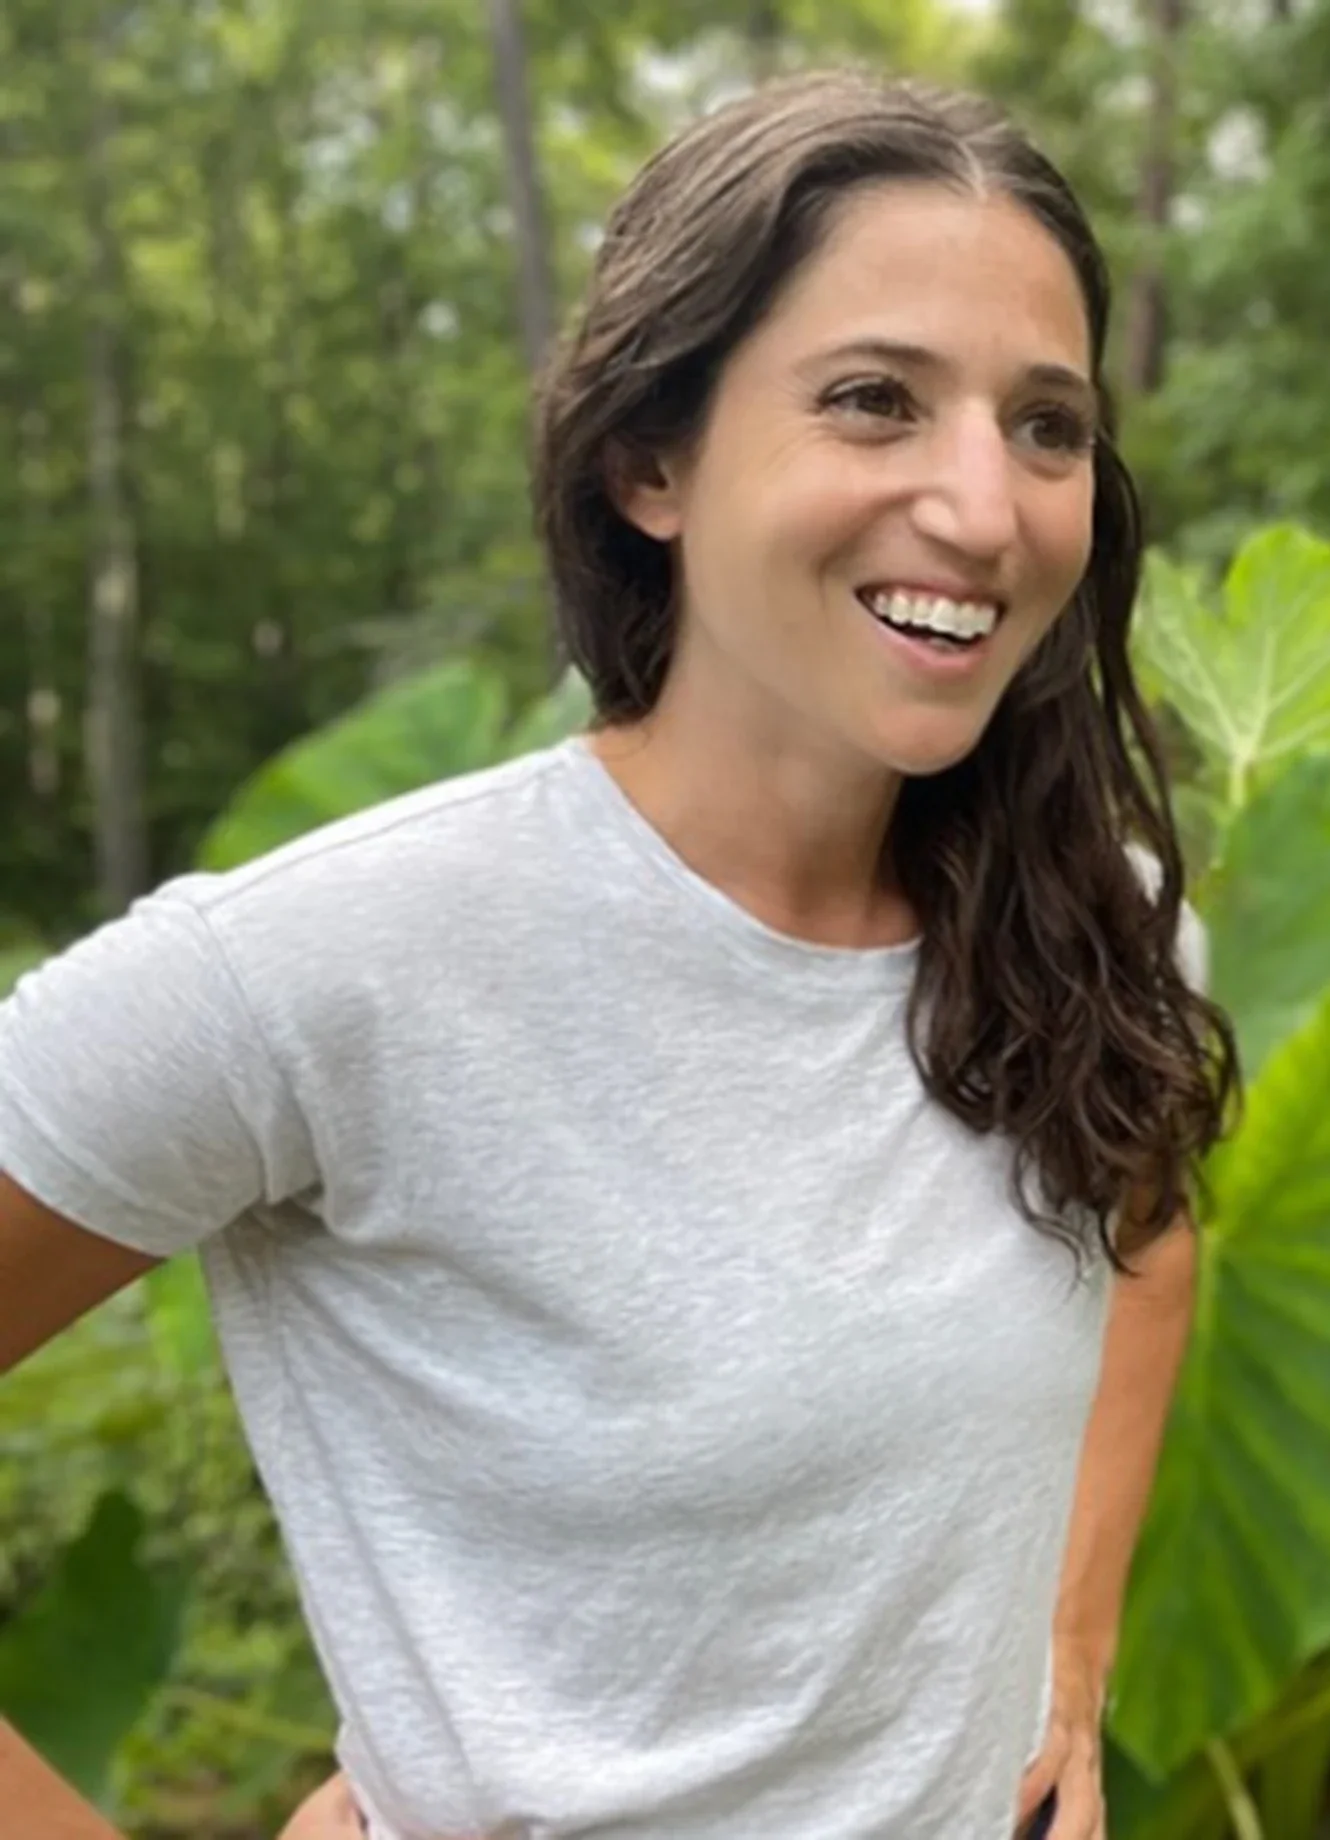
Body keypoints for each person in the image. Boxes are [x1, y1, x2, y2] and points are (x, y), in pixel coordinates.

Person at [0, 67, 1236, 1840]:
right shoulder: (326, 966)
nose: (985, 506)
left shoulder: (1097, 931)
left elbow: (1145, 1234)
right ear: (648, 463)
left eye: (1046, 425)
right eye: (876, 401)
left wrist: (1067, 1652)